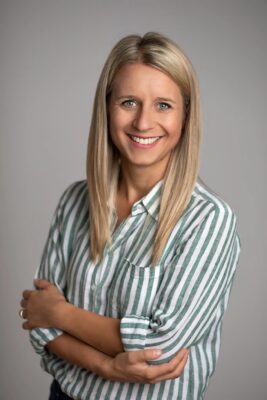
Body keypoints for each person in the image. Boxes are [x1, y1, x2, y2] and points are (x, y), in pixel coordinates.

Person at [19, 32, 241, 400]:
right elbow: (39, 324)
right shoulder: (74, 202)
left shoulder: (209, 220)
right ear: (107, 108)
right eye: (128, 102)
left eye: (163, 105)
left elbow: (161, 344)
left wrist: (62, 315)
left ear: (186, 117)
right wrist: (105, 366)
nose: (143, 122)